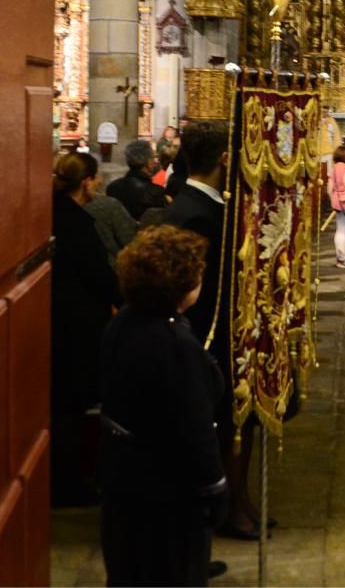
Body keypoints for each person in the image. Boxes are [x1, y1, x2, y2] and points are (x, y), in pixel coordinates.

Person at [99, 226, 227, 586]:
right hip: (166, 492)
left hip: (124, 482)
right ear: (183, 284)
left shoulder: (123, 321)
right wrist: (215, 488)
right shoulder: (176, 344)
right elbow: (194, 428)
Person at [160, 121, 259, 541]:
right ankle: (228, 508)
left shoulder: (192, 203)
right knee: (225, 425)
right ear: (225, 159)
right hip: (208, 339)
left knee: (234, 425)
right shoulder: (200, 214)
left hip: (208, 338)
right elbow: (200, 289)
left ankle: (239, 501)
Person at [51, 152, 122, 507]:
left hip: (62, 319)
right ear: (87, 182)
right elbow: (97, 273)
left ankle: (68, 476)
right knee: (71, 403)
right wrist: (121, 296)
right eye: (95, 180)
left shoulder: (53, 213)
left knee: (67, 402)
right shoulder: (74, 222)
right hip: (75, 325)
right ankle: (68, 481)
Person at [84, 176, 138, 269]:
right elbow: (130, 241)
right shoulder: (109, 205)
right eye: (97, 177)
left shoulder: (56, 205)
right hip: (110, 269)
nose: (100, 181)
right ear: (88, 181)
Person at [107, 139, 168, 219]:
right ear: (148, 163)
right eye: (153, 158)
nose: (155, 162)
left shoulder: (112, 187)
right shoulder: (156, 192)